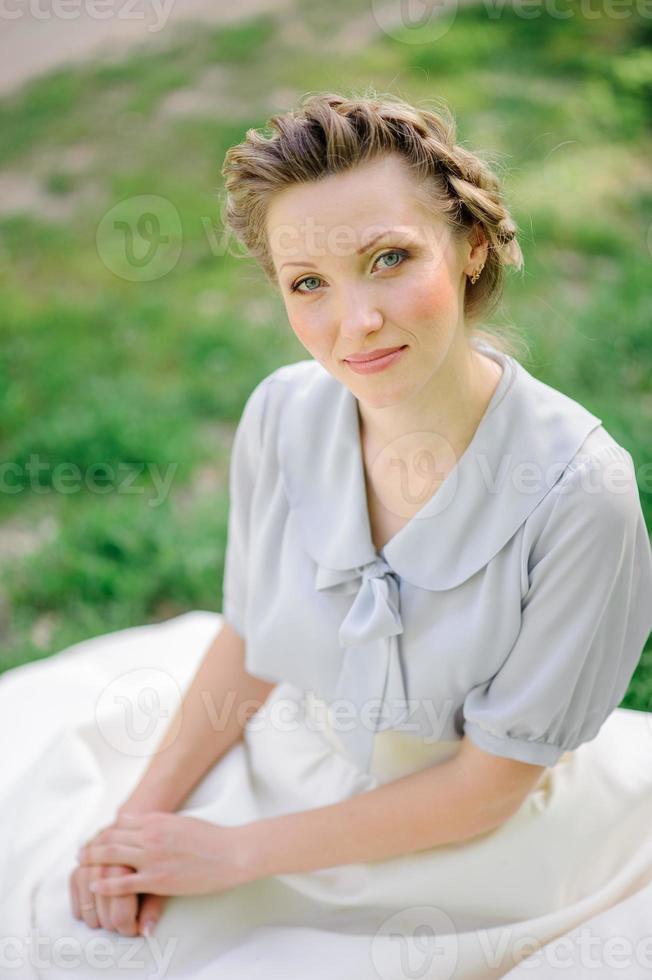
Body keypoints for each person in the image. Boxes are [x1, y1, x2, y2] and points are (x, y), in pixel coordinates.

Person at [1, 90, 652, 980]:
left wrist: (228, 854)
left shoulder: (583, 495)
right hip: (297, 763)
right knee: (62, 915)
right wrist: (138, 824)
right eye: (309, 282)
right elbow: (251, 640)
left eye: (389, 259)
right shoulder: (282, 414)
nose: (355, 324)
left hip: (471, 841)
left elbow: (487, 788)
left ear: (469, 247)